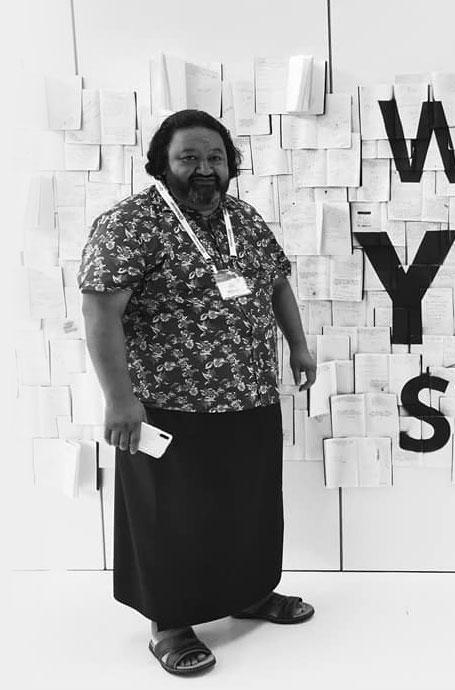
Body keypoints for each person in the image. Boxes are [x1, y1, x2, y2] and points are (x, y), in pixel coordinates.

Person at [78, 109, 317, 676]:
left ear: (231, 164)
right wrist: (119, 399)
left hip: (251, 393)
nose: (205, 168)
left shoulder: (243, 217)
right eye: (189, 157)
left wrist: (299, 345)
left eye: (215, 157)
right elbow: (99, 311)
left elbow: (276, 282)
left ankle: (249, 593)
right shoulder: (132, 223)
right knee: (173, 518)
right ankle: (170, 622)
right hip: (169, 404)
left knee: (249, 505)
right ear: (162, 163)